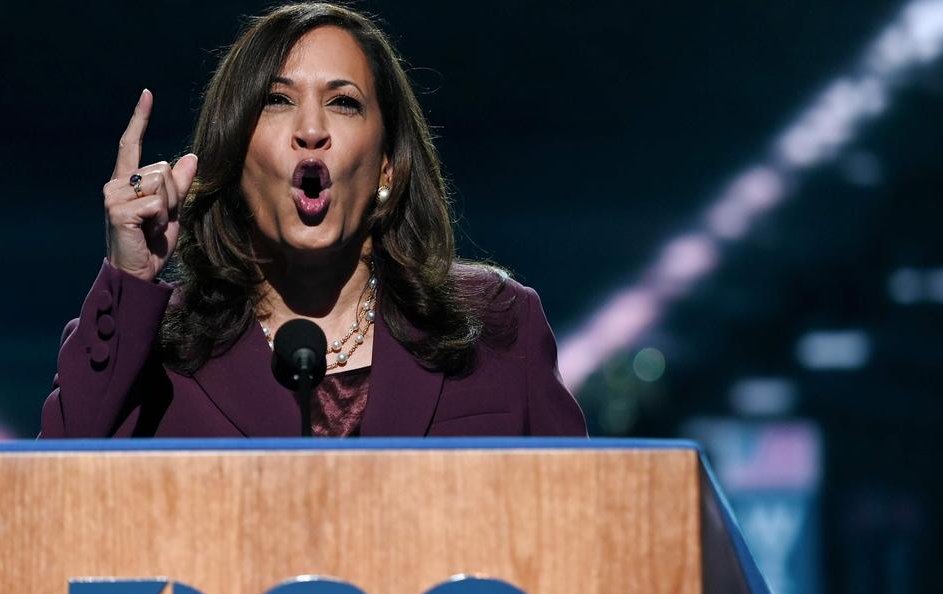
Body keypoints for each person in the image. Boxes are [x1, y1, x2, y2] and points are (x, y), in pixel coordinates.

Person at [39, 2, 586, 438]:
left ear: (387, 166)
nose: (311, 129)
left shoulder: (496, 324)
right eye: (277, 100)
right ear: (235, 160)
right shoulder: (153, 347)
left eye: (344, 102)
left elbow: (585, 531)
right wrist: (129, 281)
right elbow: (46, 506)